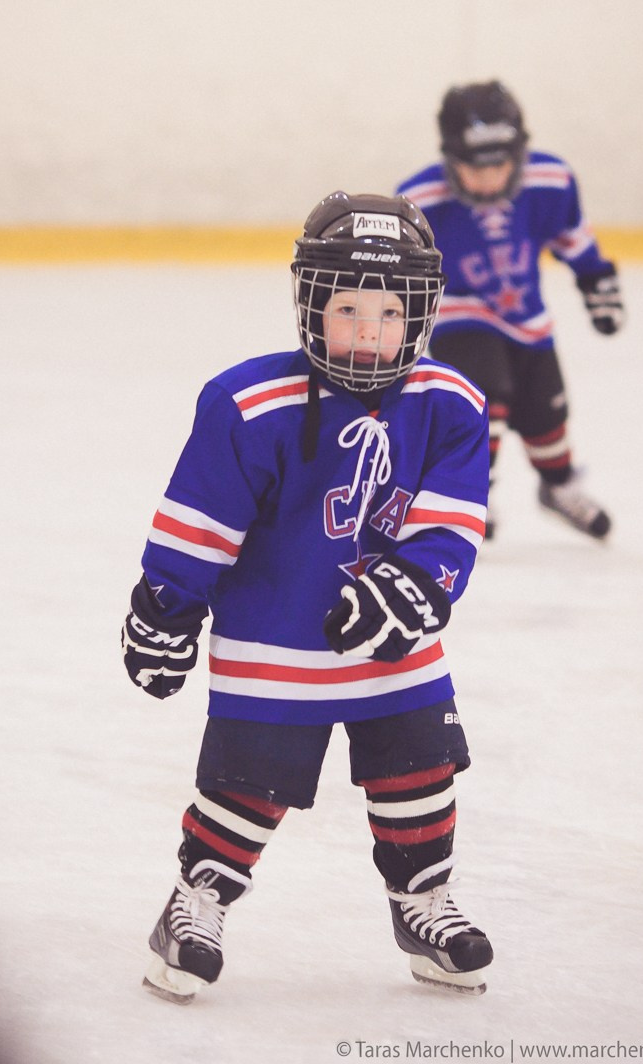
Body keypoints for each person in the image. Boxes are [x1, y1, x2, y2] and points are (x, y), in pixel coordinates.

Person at [121, 192, 494, 1003]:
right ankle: (196, 903)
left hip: (395, 652)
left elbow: (451, 522)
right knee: (248, 787)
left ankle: (422, 900)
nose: (368, 331)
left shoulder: (453, 405)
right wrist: (167, 607)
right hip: (272, 643)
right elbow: (203, 520)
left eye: (391, 313)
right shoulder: (249, 404)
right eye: (348, 309)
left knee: (421, 771)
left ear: (421, 313)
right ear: (312, 305)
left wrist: (415, 585)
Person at [396, 80, 625, 540]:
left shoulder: (551, 181)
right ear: (450, 157)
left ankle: (558, 487)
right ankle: (471, 491)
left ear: (519, 154)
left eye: (500, 165)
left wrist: (597, 281)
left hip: (528, 319)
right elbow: (401, 273)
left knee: (547, 413)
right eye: (472, 167)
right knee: (486, 395)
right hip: (459, 315)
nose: (487, 179)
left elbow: (572, 238)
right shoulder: (420, 199)